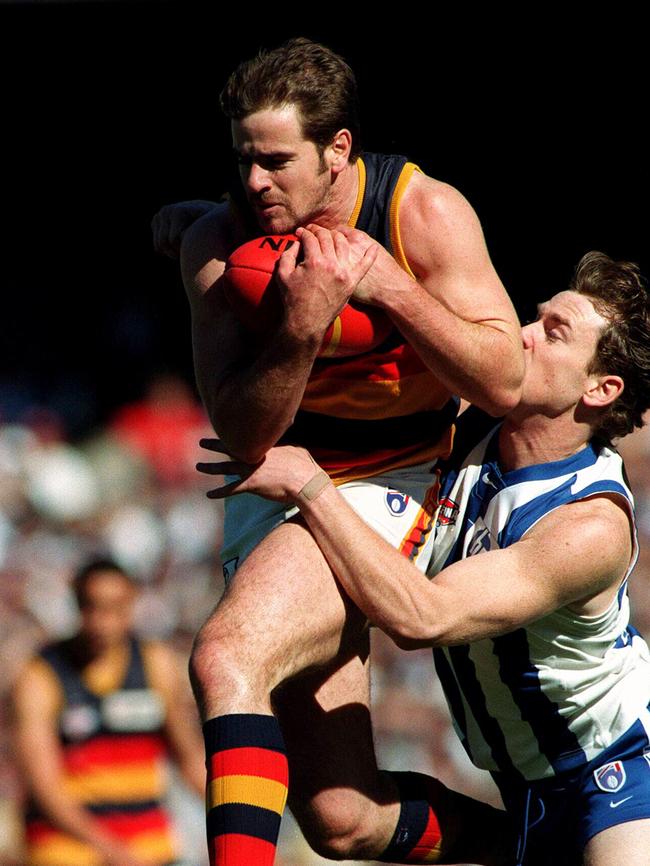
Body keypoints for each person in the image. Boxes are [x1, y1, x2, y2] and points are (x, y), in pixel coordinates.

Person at [152, 37, 525, 865]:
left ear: (338, 151)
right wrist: (300, 324)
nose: (256, 183)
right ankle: (517, 848)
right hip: (273, 476)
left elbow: (503, 381)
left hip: (393, 474)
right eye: (245, 161)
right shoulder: (217, 242)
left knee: (226, 656)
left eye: (278, 161)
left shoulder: (421, 213)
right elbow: (244, 434)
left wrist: (390, 286)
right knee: (342, 818)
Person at [198, 251, 650, 865]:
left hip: (618, 776)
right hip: (524, 794)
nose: (522, 332)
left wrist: (311, 487)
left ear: (602, 389)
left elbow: (424, 618)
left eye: (554, 332)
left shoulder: (589, 524)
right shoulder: (462, 426)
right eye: (536, 317)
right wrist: (218, 237)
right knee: (342, 824)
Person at [13, 559, 206, 866]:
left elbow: (190, 759)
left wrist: (239, 821)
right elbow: (43, 785)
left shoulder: (156, 664)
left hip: (149, 848)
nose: (103, 622)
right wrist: (112, 849)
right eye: (93, 607)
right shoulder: (41, 676)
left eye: (115, 608)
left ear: (132, 604)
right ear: (77, 605)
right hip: (67, 852)